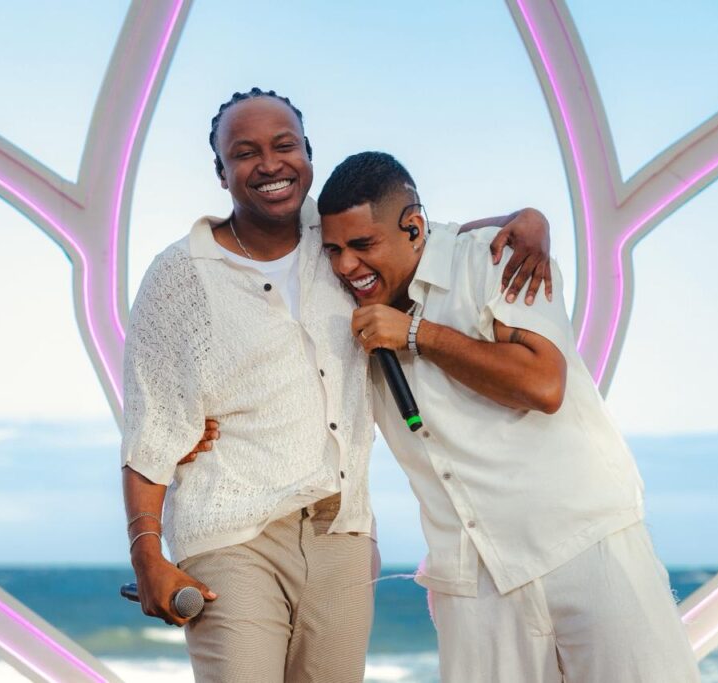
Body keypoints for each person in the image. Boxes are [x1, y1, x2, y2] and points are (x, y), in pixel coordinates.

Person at [120, 89, 553, 683]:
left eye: (284, 146)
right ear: (221, 173)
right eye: (244, 153)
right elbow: (152, 428)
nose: (269, 164)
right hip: (231, 532)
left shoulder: (338, 241)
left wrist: (524, 220)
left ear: (308, 155)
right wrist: (146, 554)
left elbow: (416, 236)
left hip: (343, 531)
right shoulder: (180, 275)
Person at [318, 151, 701, 683]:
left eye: (363, 245)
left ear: (414, 228)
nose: (345, 266)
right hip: (469, 578)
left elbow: (543, 385)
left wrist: (417, 335)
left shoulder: (497, 259)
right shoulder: (338, 298)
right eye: (333, 250)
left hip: (585, 543)